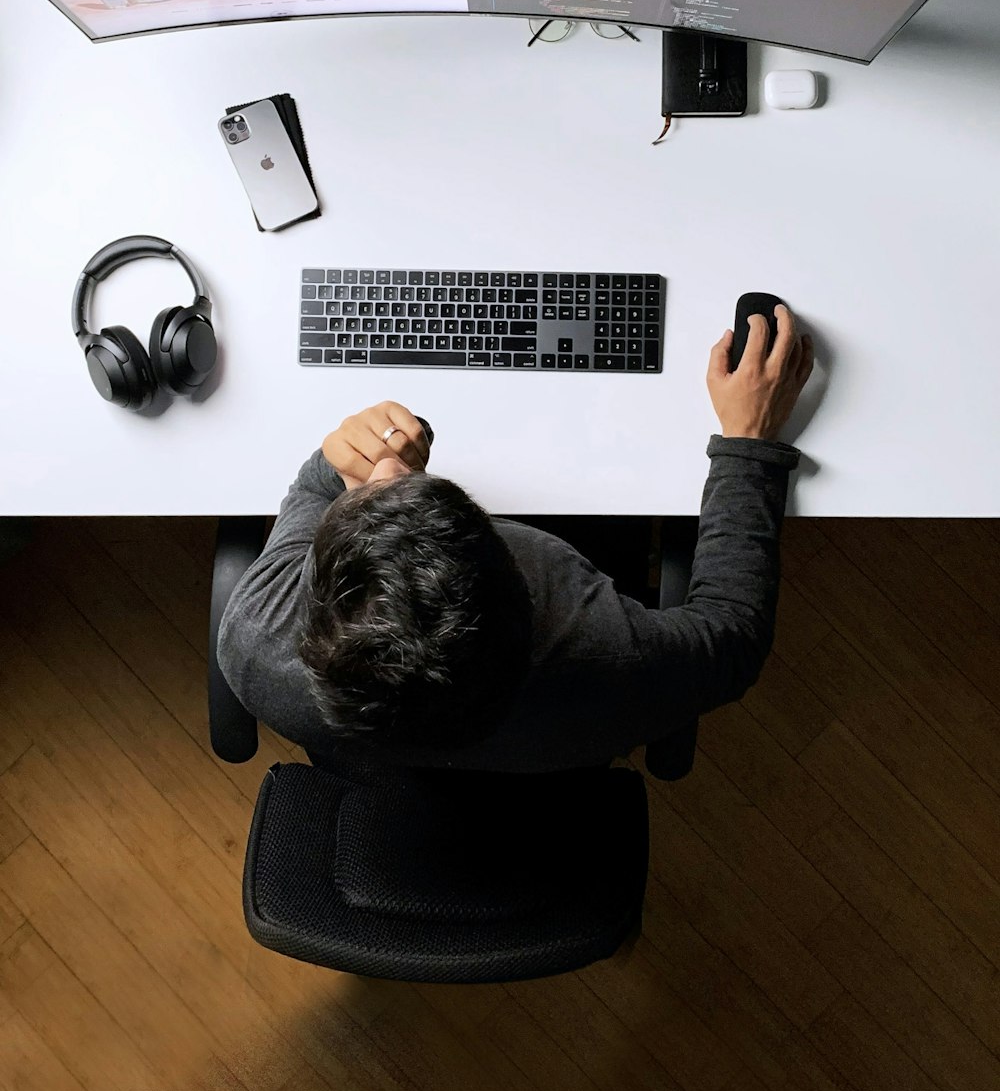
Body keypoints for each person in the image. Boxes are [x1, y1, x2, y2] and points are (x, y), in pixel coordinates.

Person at [217, 307, 815, 773]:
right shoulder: (607, 655)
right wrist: (749, 439)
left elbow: (314, 485)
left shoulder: (255, 640)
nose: (388, 469)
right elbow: (733, 632)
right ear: (522, 575)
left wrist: (341, 463)